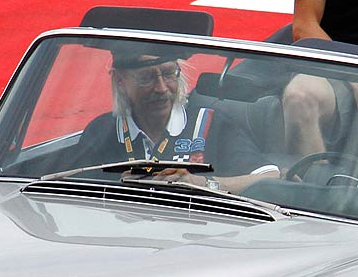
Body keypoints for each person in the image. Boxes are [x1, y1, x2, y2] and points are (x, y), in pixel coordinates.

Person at [66, 46, 278, 190]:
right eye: (146, 78)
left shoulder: (210, 123)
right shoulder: (103, 131)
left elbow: (269, 176)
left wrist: (200, 183)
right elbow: (71, 189)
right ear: (120, 81)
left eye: (168, 74)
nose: (161, 88)